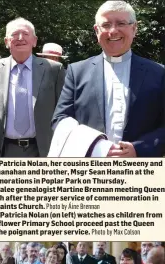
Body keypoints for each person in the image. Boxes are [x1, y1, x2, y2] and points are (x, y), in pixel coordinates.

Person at [52, 0, 165, 157]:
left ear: (134, 28)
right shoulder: (77, 72)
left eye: (121, 23)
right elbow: (61, 119)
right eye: (106, 25)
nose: (113, 31)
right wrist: (97, 148)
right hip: (91, 168)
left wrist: (139, 149)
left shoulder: (159, 73)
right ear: (96, 31)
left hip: (142, 168)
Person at [0, 17, 65, 157]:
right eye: (14, 34)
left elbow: (63, 112)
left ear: (34, 41)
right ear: (6, 42)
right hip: (3, 151)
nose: (20, 38)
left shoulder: (54, 70)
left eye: (26, 34)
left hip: (42, 150)